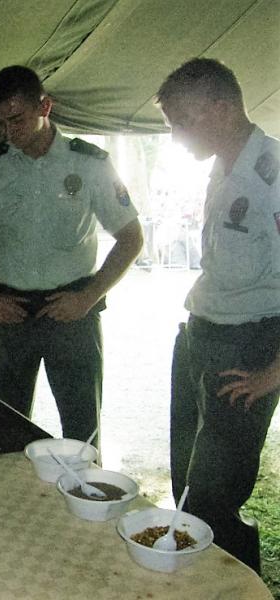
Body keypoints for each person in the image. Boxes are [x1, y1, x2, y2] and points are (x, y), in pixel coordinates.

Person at [0, 65, 143, 447]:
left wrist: (89, 297)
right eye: (1, 122)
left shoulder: (90, 164)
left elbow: (131, 238)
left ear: (44, 107)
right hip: (8, 314)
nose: (9, 132)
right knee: (4, 428)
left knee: (82, 434)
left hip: (72, 312)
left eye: (17, 120)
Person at [157, 58, 280, 573]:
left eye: (182, 121)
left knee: (212, 498)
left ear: (223, 108)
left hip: (246, 351)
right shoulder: (222, 168)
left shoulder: (273, 174)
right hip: (200, 338)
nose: (176, 135)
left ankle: (241, 587)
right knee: (186, 484)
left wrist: (273, 374)